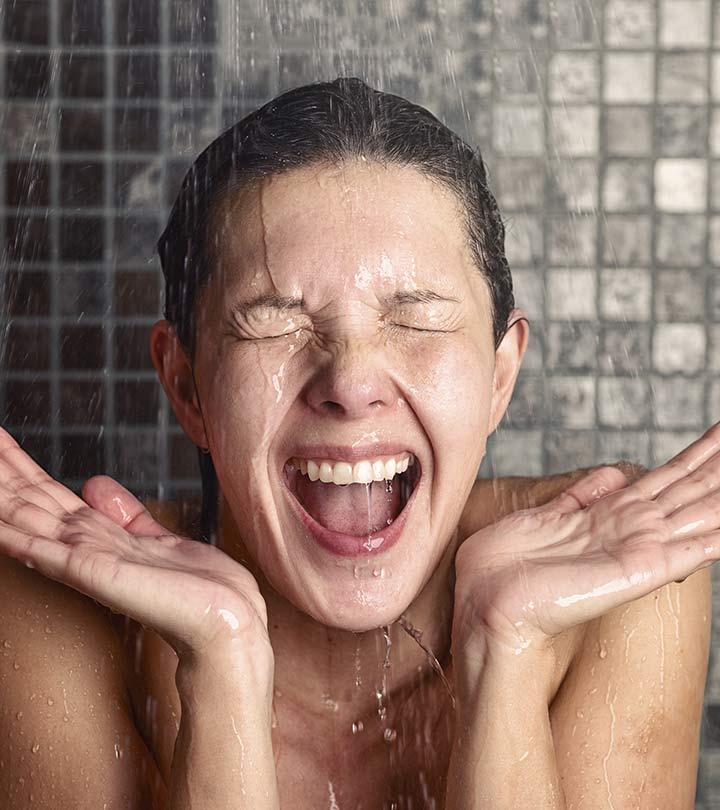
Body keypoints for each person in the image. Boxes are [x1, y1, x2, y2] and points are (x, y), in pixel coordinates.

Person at [0, 77, 713, 809]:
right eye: (274, 321)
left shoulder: (619, 577)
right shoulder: (63, 606)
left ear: (501, 376)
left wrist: (510, 651)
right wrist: (222, 665)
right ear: (187, 387)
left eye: (416, 318)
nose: (351, 379)